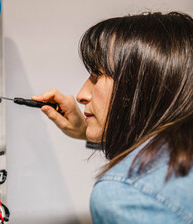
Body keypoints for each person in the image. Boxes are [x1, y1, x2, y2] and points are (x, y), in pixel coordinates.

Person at [32, 12, 193, 223]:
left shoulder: (128, 195)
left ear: (142, 86)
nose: (81, 95)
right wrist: (86, 132)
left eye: (97, 75)